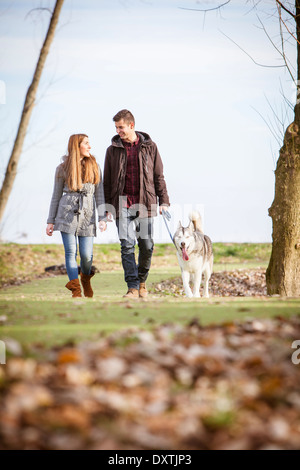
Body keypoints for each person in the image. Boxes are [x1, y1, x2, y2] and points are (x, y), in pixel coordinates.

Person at [103, 109, 170, 299]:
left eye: (121, 127)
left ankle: (142, 282)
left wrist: (163, 201)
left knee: (147, 245)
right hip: (121, 202)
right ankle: (132, 287)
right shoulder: (112, 150)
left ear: (131, 125)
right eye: (116, 127)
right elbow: (107, 180)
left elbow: (158, 176)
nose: (118, 131)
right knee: (126, 245)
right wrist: (108, 205)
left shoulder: (150, 147)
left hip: (145, 202)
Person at [46, 134, 107, 298]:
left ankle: (85, 279)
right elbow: (55, 195)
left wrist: (102, 217)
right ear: (76, 146)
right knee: (70, 252)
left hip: (88, 215)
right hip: (66, 214)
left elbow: (99, 195)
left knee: (87, 255)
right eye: (86, 143)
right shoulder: (62, 168)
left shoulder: (95, 166)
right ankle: (76, 289)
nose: (89, 146)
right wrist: (50, 221)